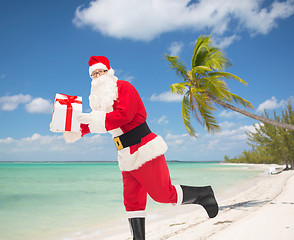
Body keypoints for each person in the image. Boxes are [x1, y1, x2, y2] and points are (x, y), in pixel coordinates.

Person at [64, 56, 219, 240]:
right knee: (132, 201)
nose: (97, 77)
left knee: (162, 194)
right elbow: (99, 123)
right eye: (93, 75)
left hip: (144, 148)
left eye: (100, 72)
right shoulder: (101, 103)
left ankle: (204, 195)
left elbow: (124, 115)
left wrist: (92, 119)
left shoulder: (124, 88)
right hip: (125, 154)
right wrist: (72, 129)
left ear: (108, 72)